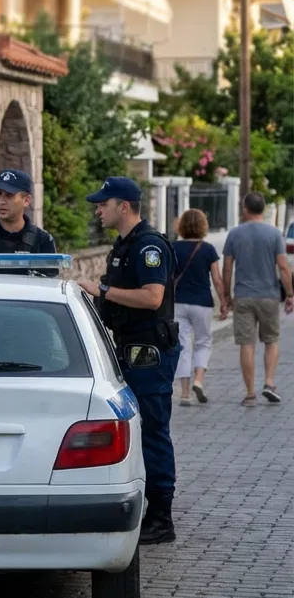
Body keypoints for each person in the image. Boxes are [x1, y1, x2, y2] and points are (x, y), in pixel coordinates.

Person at [77, 177, 181, 546]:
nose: (97, 209)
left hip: (149, 353)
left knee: (152, 430)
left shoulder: (148, 246)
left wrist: (103, 290)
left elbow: (153, 298)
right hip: (131, 350)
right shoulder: (125, 245)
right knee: (135, 431)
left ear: (124, 206)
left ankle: (161, 517)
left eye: (103, 204)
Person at [222, 192, 294, 406]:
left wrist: (226, 295)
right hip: (269, 295)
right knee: (271, 340)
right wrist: (290, 294)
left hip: (243, 296)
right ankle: (269, 383)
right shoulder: (274, 234)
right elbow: (283, 267)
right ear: (263, 209)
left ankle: (250, 393)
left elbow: (227, 268)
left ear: (245, 209)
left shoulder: (234, 234)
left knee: (247, 343)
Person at [173, 208, 227, 407]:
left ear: (182, 225)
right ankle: (198, 380)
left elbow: (167, 278)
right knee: (203, 342)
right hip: (202, 303)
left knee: (183, 346)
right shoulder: (208, 249)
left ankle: (185, 394)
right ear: (203, 226)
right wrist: (223, 302)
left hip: (178, 303)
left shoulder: (173, 248)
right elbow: (217, 280)